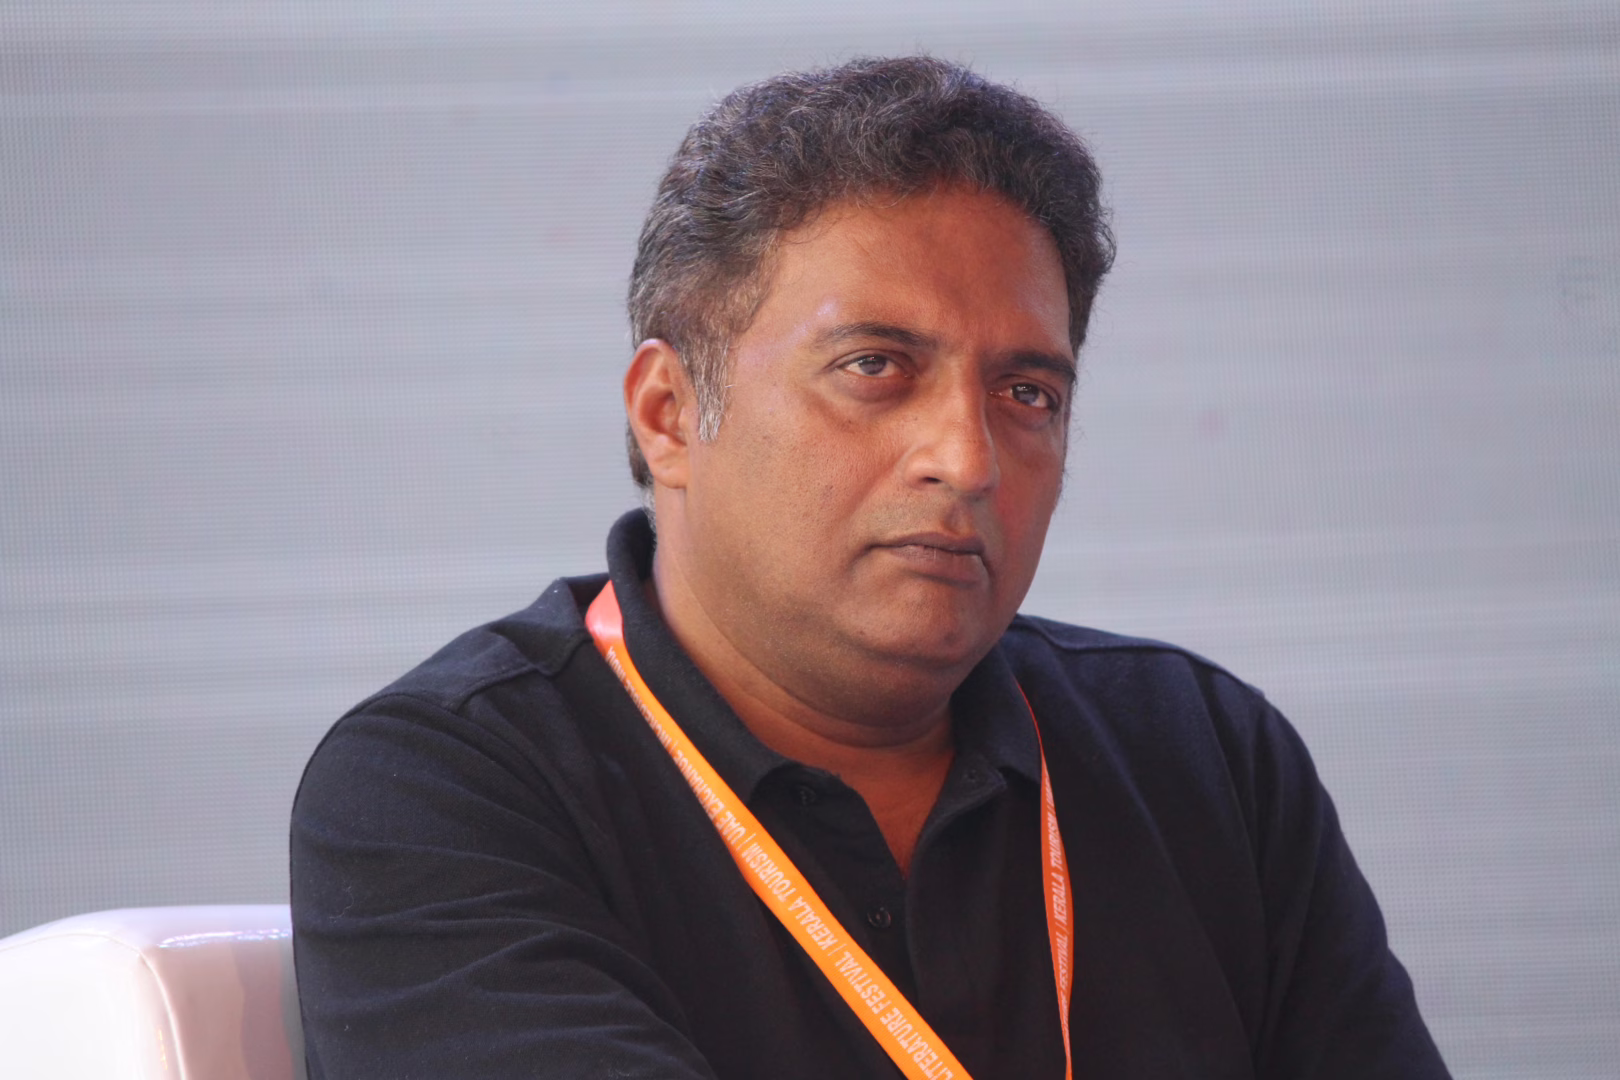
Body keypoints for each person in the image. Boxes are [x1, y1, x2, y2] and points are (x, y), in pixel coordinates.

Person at [290, 56, 1450, 1079]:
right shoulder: (443, 793)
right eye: (876, 367)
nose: (969, 459)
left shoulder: (1204, 757)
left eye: (1027, 393)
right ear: (668, 414)